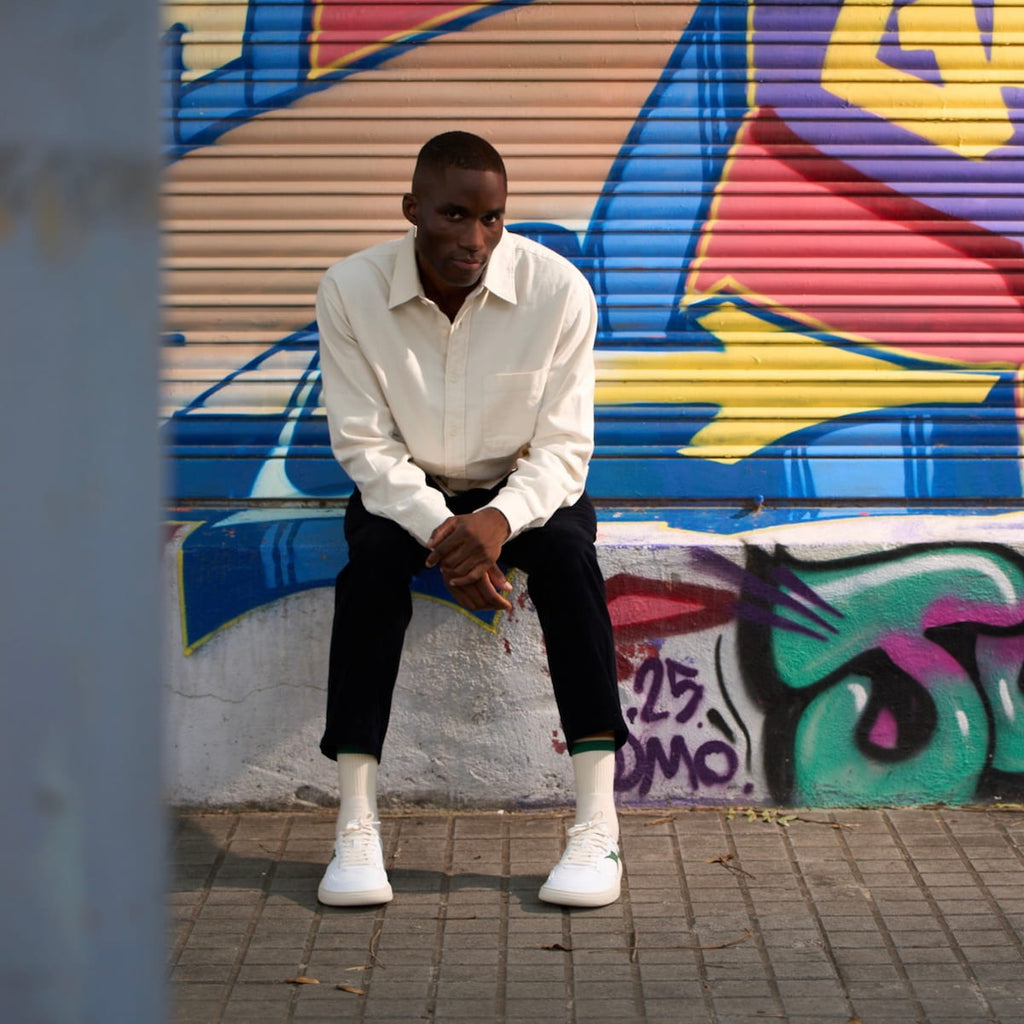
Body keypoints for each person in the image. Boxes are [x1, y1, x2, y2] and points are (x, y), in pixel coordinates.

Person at [314, 130, 628, 909]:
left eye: (492, 219)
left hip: (523, 489)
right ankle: (356, 823)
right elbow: (363, 445)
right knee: (371, 572)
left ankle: (598, 825)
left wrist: (496, 521)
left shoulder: (558, 292)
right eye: (455, 215)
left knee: (568, 565)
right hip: (405, 490)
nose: (475, 238)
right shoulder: (350, 290)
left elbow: (563, 449)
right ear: (413, 208)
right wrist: (445, 533)